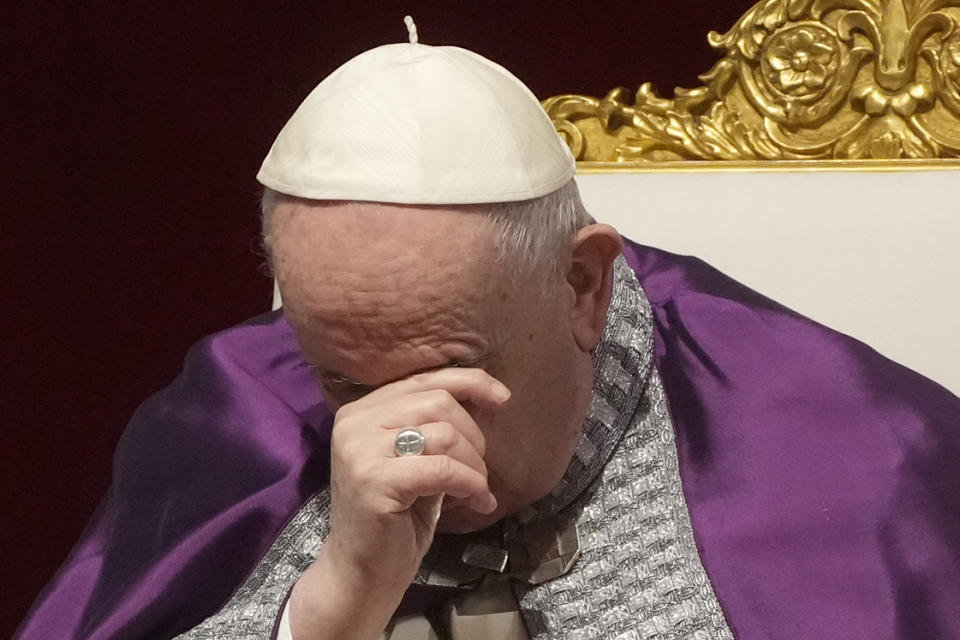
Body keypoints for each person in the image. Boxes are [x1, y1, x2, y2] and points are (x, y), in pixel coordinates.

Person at [16, 20, 960, 640]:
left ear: (584, 283)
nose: (413, 435)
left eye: (454, 370)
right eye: (345, 380)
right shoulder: (234, 415)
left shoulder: (857, 449)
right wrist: (333, 603)